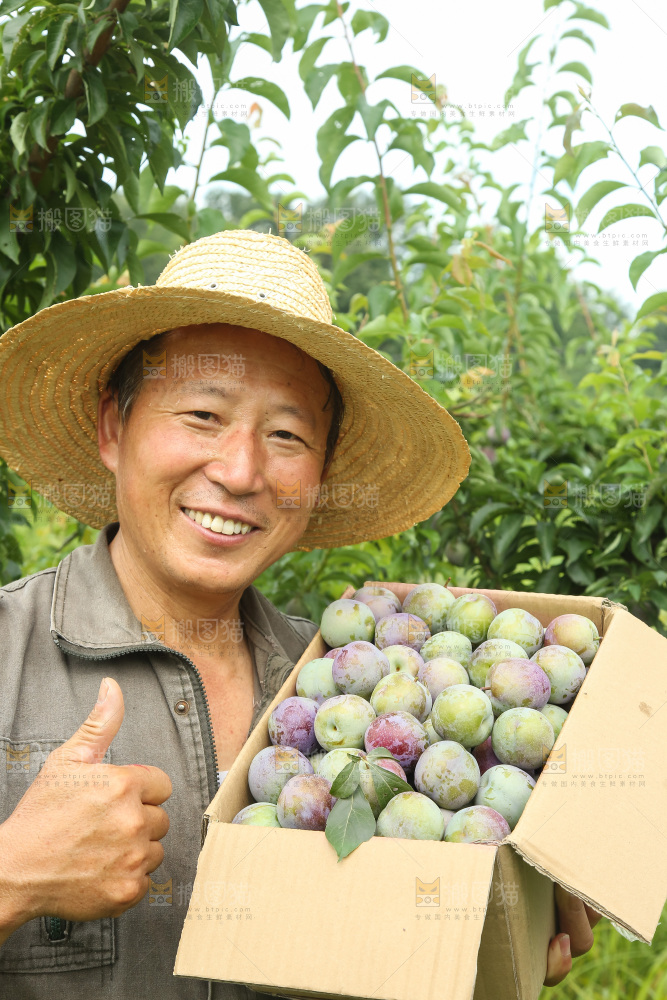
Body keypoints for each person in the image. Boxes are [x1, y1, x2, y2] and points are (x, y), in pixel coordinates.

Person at [0, 230, 600, 996]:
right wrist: (13, 874)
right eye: (202, 416)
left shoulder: (345, 685)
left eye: (286, 434)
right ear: (112, 429)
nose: (241, 470)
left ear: (318, 477)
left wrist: (487, 961)